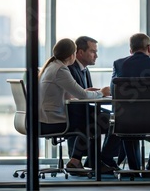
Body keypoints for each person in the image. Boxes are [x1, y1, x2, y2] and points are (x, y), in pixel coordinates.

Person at [101, 33, 150, 171]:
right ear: (149, 48)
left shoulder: (118, 64)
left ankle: (134, 169)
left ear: (131, 50)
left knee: (128, 119)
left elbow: (115, 93)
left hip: (126, 122)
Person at [38, 38, 111, 170]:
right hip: (51, 121)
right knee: (96, 120)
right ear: (72, 54)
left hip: (44, 118)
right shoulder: (61, 69)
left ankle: (77, 161)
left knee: (94, 118)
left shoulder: (52, 66)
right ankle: (89, 162)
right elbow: (82, 96)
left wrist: (85, 91)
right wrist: (102, 92)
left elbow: (70, 93)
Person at [66, 36, 124, 173]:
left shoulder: (84, 70)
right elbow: (79, 97)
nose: (96, 56)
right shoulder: (70, 69)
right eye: (93, 52)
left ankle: (92, 160)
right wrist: (100, 93)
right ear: (80, 52)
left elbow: (82, 93)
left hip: (81, 110)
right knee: (114, 119)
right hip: (73, 113)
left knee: (110, 117)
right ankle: (101, 160)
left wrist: (97, 92)